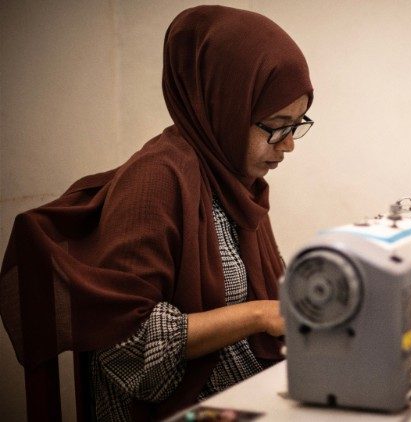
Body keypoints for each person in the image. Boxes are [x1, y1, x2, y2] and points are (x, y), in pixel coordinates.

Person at [0, 5, 313, 421]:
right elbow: (126, 344)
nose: (288, 144)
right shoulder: (156, 181)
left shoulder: (234, 181)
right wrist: (256, 314)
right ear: (225, 106)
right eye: (276, 125)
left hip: (236, 389)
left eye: (296, 125)